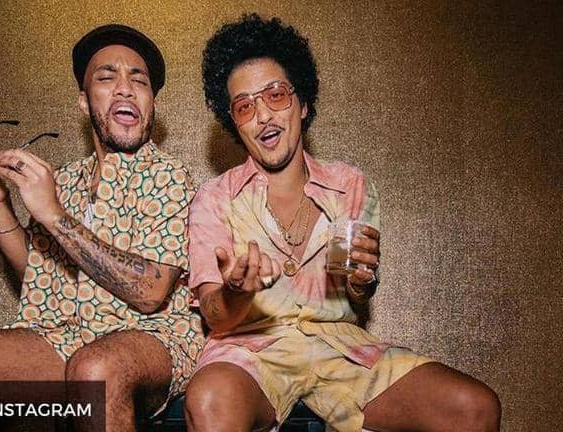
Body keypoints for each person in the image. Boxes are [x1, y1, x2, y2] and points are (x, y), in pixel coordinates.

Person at [184, 14, 500, 432]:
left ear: (303, 104)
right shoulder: (215, 197)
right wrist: (237, 292)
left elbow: (352, 294)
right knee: (210, 398)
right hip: (251, 351)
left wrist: (360, 282)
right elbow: (215, 314)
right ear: (235, 124)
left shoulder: (348, 185)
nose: (262, 115)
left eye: (275, 95)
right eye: (245, 106)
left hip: (339, 348)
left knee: (475, 407)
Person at [0, 24, 203, 431]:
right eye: (107, 77)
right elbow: (38, 279)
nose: (125, 88)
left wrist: (53, 215)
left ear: (152, 102)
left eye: (139, 80)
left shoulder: (170, 176)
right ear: (84, 102)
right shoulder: (63, 180)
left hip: (156, 336)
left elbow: (151, 293)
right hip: (70, 336)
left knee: (95, 370)